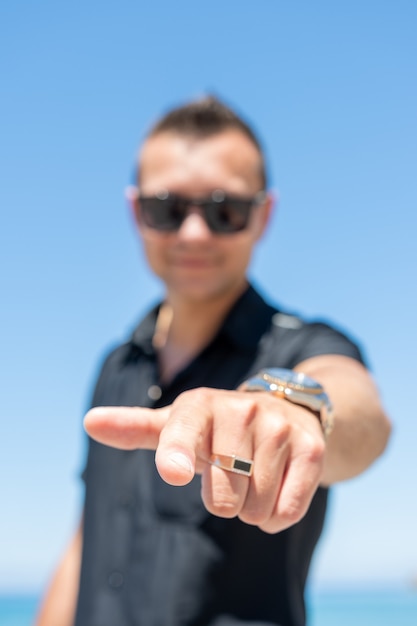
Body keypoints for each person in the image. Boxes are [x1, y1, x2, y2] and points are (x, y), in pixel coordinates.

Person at [36, 95, 391, 626]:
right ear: (137, 213)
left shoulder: (302, 347)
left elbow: (361, 418)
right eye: (168, 209)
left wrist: (297, 412)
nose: (194, 233)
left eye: (225, 210)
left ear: (263, 216)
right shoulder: (116, 367)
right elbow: (88, 537)